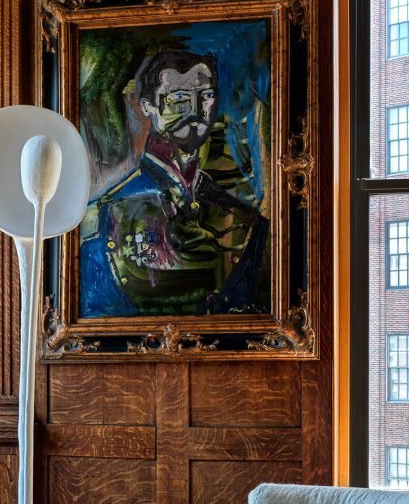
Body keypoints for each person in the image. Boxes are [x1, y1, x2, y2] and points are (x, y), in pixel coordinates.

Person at [79, 49, 270, 318]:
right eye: (179, 98)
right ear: (148, 107)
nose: (196, 109)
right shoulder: (105, 213)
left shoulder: (243, 219)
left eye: (206, 96)